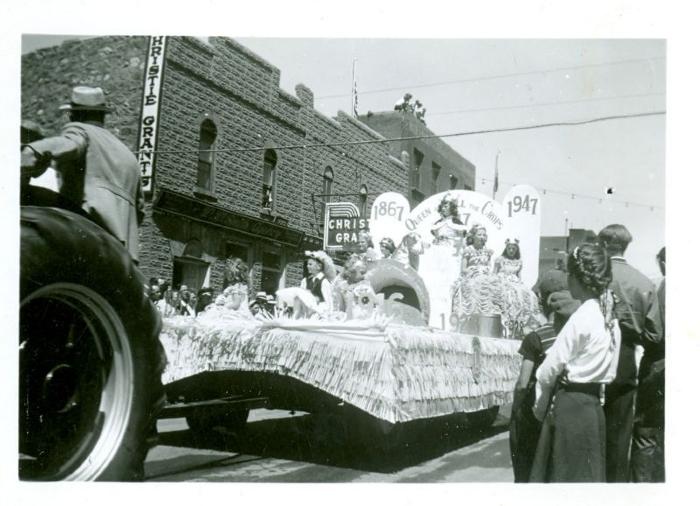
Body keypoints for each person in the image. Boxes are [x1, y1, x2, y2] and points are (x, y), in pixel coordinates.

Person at [20, 86, 145, 262]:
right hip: (123, 254)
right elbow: (140, 210)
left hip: (87, 234)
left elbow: (71, 144)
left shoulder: (80, 130)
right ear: (102, 116)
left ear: (74, 115)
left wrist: (33, 150)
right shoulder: (129, 156)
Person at [530, 243, 621, 482]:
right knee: (587, 476)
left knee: (566, 476)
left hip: (570, 406)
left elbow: (549, 369)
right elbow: (610, 371)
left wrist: (540, 407)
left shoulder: (582, 316)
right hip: (593, 409)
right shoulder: (609, 315)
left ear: (578, 278)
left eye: (569, 274)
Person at [596, 224, 662, 482]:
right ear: (626, 246)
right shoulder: (644, 282)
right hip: (626, 360)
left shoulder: (595, 276)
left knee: (590, 439)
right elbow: (655, 334)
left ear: (603, 244)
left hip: (594, 357)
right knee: (619, 438)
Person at [509, 269, 577, 482]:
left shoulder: (536, 337)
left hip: (536, 410)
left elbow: (522, 383)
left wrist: (515, 409)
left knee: (527, 463)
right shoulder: (577, 333)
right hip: (568, 405)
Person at [630, 246, 666, 482]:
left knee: (646, 431)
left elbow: (653, 333)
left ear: (663, 262)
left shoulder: (660, 286)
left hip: (657, 364)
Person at [493, 238, 542, 337]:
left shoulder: (518, 262)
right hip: (502, 281)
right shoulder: (500, 260)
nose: (511, 251)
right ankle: (508, 323)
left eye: (514, 249)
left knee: (529, 295)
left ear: (516, 250)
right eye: (509, 248)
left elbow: (519, 277)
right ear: (506, 248)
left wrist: (522, 286)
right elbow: (494, 274)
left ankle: (522, 324)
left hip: (515, 282)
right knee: (510, 295)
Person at [335, 254, 377, 320]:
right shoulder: (342, 286)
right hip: (349, 319)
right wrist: (341, 315)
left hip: (365, 319)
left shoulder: (365, 284)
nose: (362, 275)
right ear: (349, 272)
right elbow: (341, 308)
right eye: (360, 272)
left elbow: (375, 303)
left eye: (363, 272)